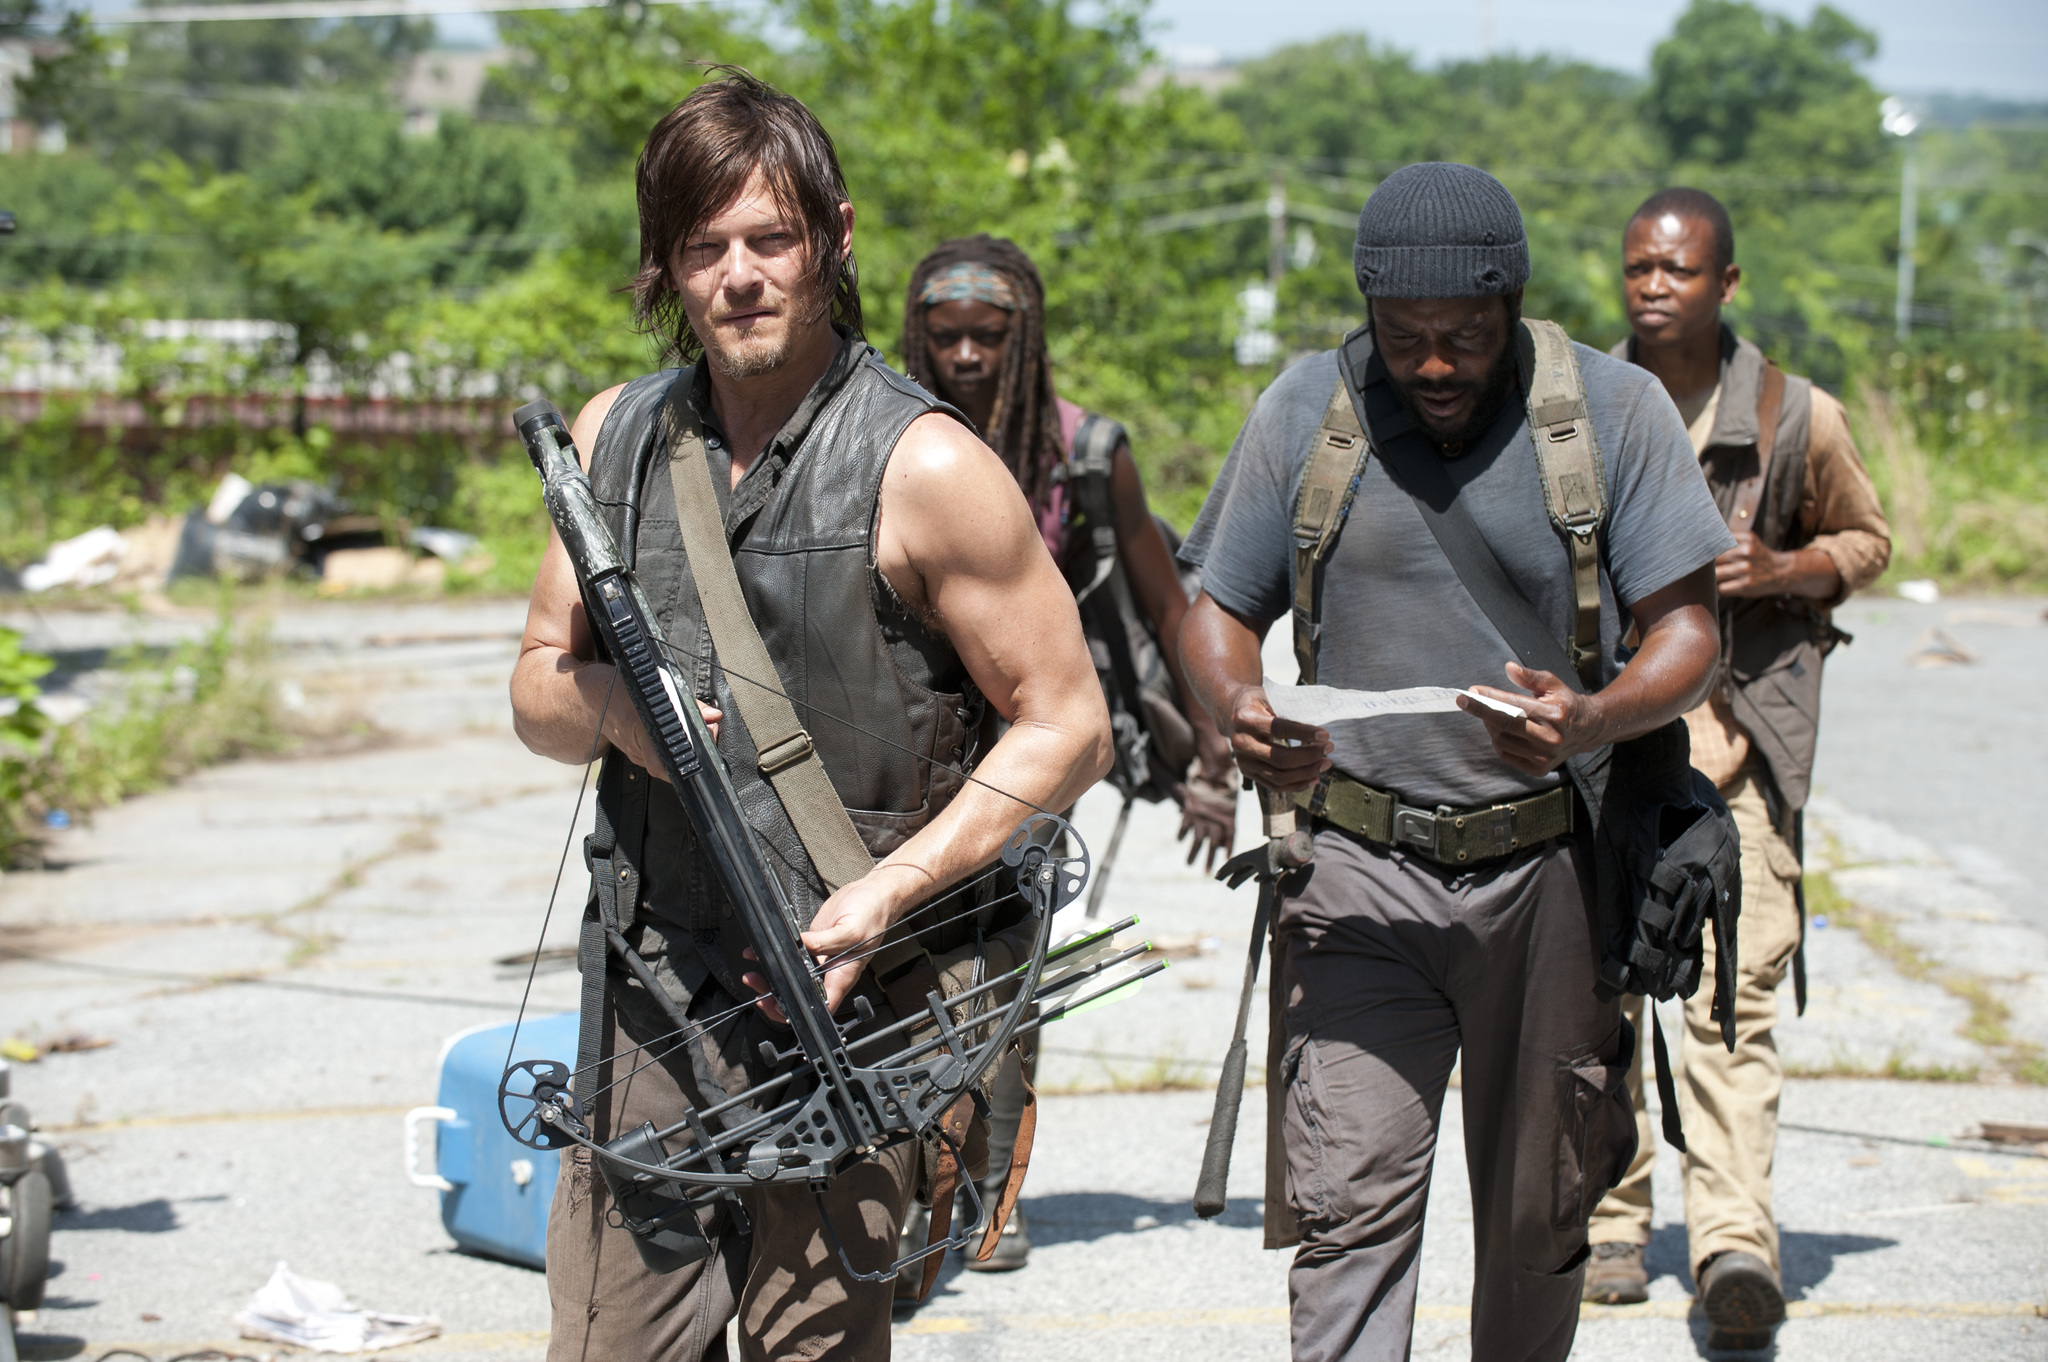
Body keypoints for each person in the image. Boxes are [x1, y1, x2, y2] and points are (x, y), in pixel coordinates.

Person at [509, 70, 1110, 1362]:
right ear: (665, 268)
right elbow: (537, 690)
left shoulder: (928, 466)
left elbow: (1067, 725)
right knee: (613, 1343)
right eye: (702, 248)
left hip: (862, 999)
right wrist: (625, 706)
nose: (739, 277)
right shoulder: (613, 438)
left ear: (833, 237)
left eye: (770, 240)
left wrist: (889, 891)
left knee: (815, 1343)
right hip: (657, 988)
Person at [1176, 162, 1734, 1361]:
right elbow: (1216, 605)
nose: (1431, 365)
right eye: (1403, 337)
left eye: (1464, 338)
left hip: (1551, 881)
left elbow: (1690, 633)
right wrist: (1237, 705)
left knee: (1537, 1226)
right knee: (1347, 1221)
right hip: (1353, 879)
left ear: (1515, 308)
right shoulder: (1303, 411)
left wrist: (1591, 718)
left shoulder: (1613, 415)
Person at [889, 235, 1240, 1276]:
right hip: (893, 751)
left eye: (986, 336)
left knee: (1001, 977)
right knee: (893, 978)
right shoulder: (879, 438)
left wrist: (1212, 757)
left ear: (1024, 335)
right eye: (943, 335)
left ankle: (991, 1199)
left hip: (1029, 753)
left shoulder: (1083, 455)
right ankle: (909, 1189)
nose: (963, 354)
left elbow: (1170, 609)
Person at [1583, 187, 1891, 1350]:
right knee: (1598, 989)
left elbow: (1866, 542)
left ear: (1725, 284)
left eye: (1675, 270)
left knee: (1729, 996)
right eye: (1634, 270)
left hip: (1737, 749)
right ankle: (1613, 1221)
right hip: (1608, 749)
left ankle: (1731, 1246)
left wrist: (1780, 569)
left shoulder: (1793, 415)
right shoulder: (1579, 404)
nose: (1652, 287)